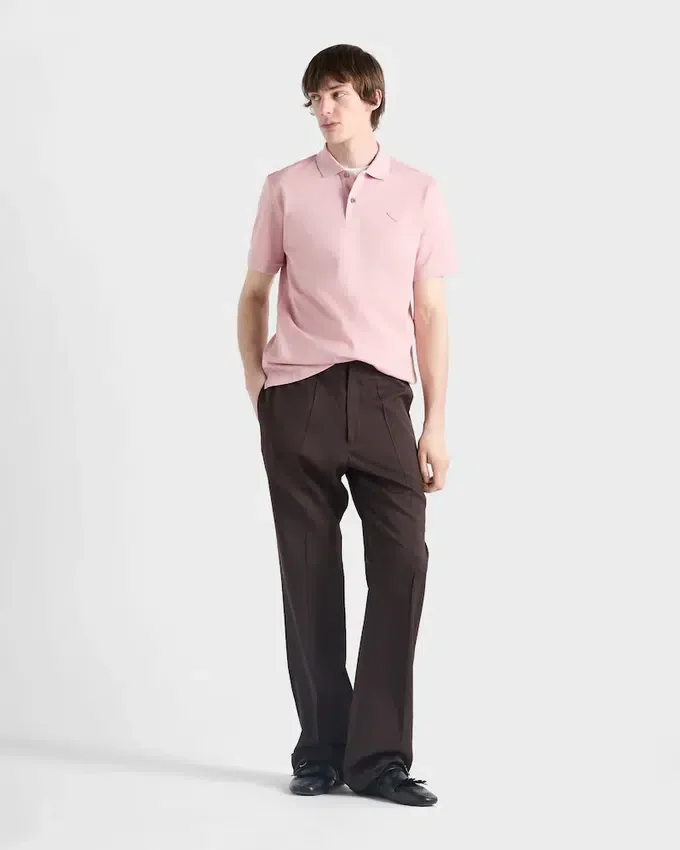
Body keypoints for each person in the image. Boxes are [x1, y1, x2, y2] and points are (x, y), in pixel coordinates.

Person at [236, 43, 456, 807]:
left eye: (335, 94)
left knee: (404, 561)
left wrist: (435, 422)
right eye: (314, 98)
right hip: (299, 396)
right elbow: (253, 294)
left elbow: (430, 312)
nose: (323, 109)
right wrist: (261, 390)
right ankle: (323, 751)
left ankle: (379, 759)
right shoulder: (285, 188)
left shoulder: (419, 192)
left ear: (372, 97)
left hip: (387, 398)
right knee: (309, 574)